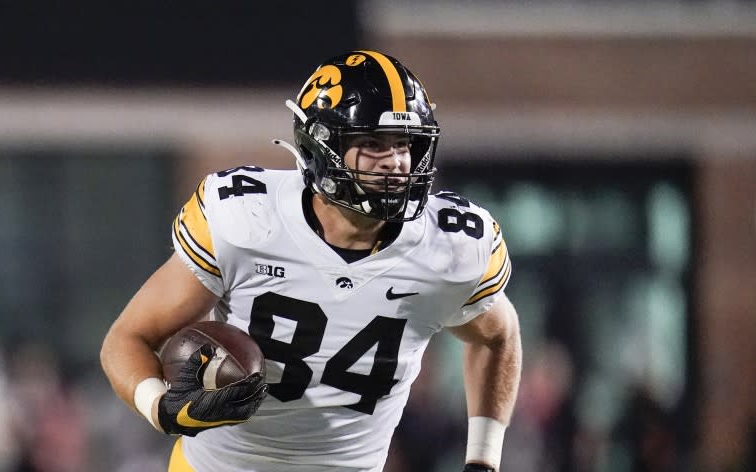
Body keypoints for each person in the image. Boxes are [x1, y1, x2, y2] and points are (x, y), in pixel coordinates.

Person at [100, 49, 522, 472]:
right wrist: (161, 408)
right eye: (373, 143)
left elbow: (498, 337)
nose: (395, 162)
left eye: (404, 144)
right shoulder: (247, 220)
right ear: (321, 146)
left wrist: (483, 461)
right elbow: (127, 338)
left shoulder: (450, 247)